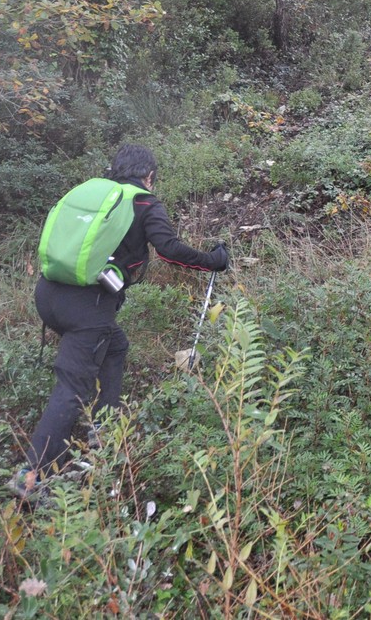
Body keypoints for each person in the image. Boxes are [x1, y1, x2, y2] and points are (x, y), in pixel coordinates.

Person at [18, 145, 228, 499]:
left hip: (48, 295)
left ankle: (105, 430)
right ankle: (31, 475)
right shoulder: (143, 201)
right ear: (149, 176)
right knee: (72, 386)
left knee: (115, 345)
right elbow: (169, 250)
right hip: (87, 307)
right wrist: (213, 260)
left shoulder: (93, 194)